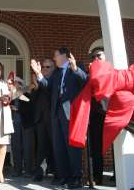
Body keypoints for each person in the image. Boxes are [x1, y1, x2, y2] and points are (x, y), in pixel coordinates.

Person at [31, 47, 87, 189]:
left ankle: (76, 177)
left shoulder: (76, 67)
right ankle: (64, 176)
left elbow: (85, 82)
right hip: (56, 114)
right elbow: (47, 86)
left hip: (70, 112)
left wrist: (75, 69)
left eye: (56, 55)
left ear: (64, 56)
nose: (54, 58)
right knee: (59, 146)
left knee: (72, 146)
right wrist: (39, 74)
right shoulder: (56, 72)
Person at [32, 58, 56, 181]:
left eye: (48, 67)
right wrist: (36, 87)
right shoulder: (40, 81)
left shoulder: (54, 80)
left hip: (52, 119)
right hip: (40, 119)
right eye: (44, 67)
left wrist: (39, 77)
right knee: (41, 147)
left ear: (53, 68)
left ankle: (57, 173)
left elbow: (48, 89)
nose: (45, 69)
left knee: (55, 146)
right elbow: (33, 100)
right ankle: (39, 173)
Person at [88, 47, 106, 185]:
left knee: (116, 146)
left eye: (99, 55)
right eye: (93, 57)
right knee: (96, 147)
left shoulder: (111, 71)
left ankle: (119, 174)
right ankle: (97, 176)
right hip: (96, 115)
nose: (96, 59)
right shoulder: (91, 74)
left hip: (112, 113)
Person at [10, 77, 26, 177]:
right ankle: (17, 169)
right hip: (13, 124)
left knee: (24, 147)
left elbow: (29, 109)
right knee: (15, 147)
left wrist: (17, 109)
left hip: (24, 124)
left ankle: (25, 168)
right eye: (14, 83)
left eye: (16, 83)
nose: (14, 85)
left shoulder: (25, 94)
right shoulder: (11, 95)